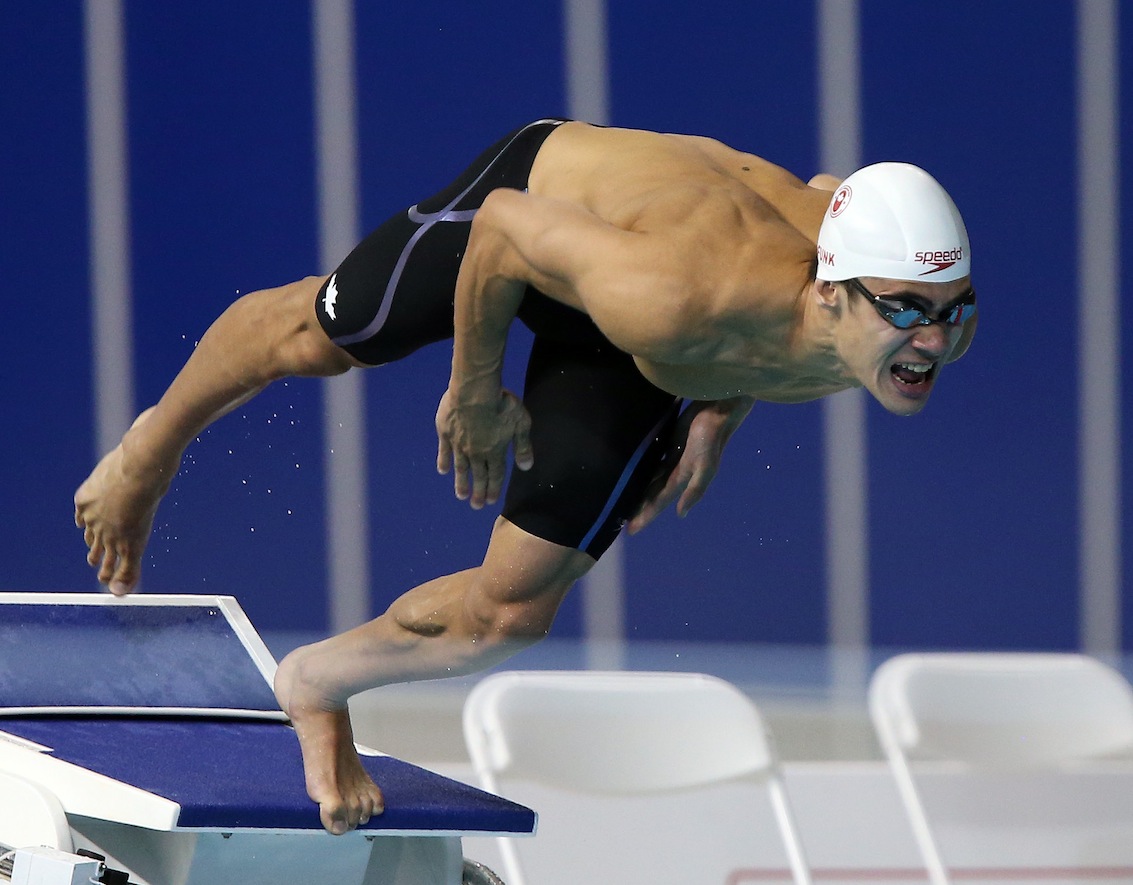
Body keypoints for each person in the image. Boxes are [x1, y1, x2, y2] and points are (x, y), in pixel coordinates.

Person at [74, 118, 976, 835]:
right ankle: (148, 451)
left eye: (951, 312)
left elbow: (823, 195)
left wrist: (719, 404)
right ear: (830, 292)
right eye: (904, 311)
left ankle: (314, 682)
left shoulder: (871, 315)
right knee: (320, 337)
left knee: (510, 614)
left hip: (662, 333)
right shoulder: (678, 293)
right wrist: (474, 389)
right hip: (546, 205)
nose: (933, 341)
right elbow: (504, 229)